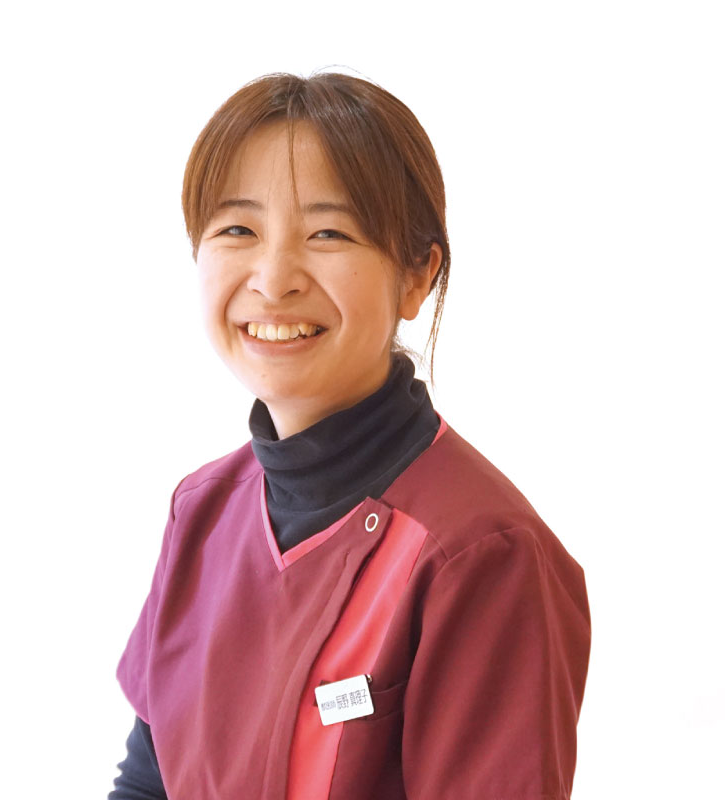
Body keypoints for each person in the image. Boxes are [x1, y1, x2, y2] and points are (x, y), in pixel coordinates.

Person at [109, 71, 591, 800]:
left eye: (328, 233)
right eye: (238, 230)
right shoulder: (200, 510)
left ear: (416, 276)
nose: (273, 279)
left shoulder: (484, 554)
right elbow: (148, 782)